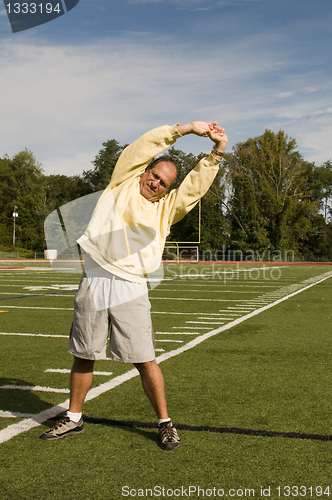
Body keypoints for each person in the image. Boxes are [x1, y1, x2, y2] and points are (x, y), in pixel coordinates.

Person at [40, 121, 228, 449]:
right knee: (84, 355)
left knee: (145, 359)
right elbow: (143, 145)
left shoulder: (166, 210)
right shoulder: (122, 180)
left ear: (168, 190)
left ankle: (165, 423)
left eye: (164, 183)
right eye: (154, 175)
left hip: (131, 285)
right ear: (145, 171)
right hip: (95, 279)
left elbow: (193, 188)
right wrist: (185, 129)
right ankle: (73, 417)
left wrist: (217, 151)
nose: (155, 183)